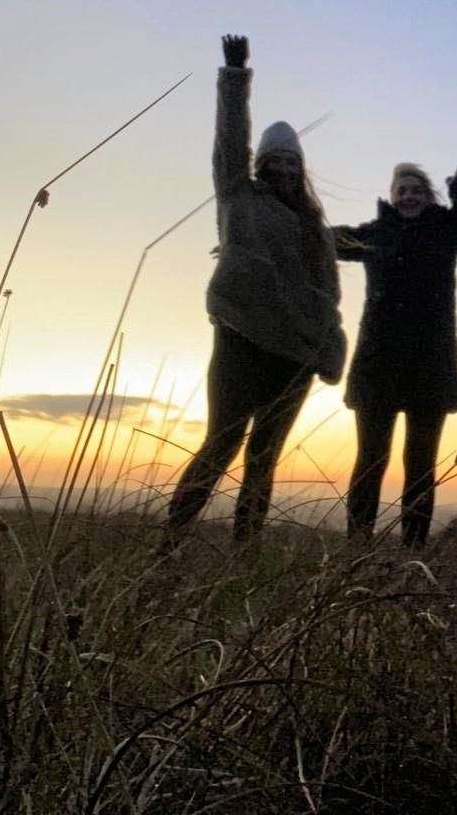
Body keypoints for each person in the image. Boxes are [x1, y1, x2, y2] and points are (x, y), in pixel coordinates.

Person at [334, 86, 457, 547]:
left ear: (429, 195)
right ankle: (356, 548)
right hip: (377, 365)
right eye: (401, 190)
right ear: (391, 196)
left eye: (416, 189)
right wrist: (258, 243)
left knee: (421, 463)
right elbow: (313, 238)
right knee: (370, 459)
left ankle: (413, 552)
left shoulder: (448, 228)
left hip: (430, 366)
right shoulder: (372, 235)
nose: (408, 196)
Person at [166, 34, 346, 541]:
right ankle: (170, 543)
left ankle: (243, 557)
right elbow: (229, 140)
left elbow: (329, 294)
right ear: (261, 163)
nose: (285, 169)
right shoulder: (238, 197)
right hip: (241, 340)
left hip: (293, 356)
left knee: (263, 459)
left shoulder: (314, 224)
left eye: (293, 162)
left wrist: (326, 347)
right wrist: (235, 74)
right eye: (276, 160)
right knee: (220, 445)